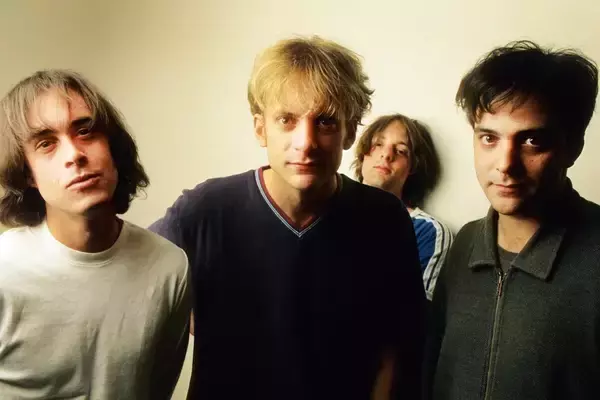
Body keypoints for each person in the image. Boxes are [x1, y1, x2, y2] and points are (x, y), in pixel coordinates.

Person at [150, 36, 426, 400]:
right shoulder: (205, 209)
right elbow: (133, 281)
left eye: (325, 121)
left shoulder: (384, 218)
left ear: (349, 132)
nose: (305, 141)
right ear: (260, 128)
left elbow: (396, 345)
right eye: (286, 119)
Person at [0, 70, 190, 399]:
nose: (74, 154)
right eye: (46, 143)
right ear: (27, 173)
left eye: (85, 131)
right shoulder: (5, 270)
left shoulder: (169, 266)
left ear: (112, 147)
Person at [426, 40, 600, 399]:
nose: (505, 164)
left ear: (573, 146)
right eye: (489, 138)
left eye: (532, 141)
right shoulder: (466, 243)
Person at [354, 114, 452, 300]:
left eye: (400, 151)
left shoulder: (427, 231)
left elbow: (412, 311)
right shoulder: (327, 212)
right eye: (378, 144)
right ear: (363, 154)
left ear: (412, 167)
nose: (386, 154)